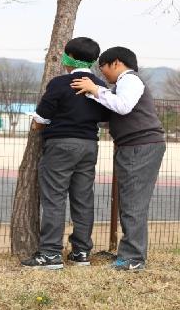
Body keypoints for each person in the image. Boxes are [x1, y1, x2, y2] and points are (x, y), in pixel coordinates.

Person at [71, 46, 165, 271]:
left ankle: (132, 258)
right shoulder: (121, 84)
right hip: (133, 146)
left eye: (103, 68)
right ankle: (130, 254)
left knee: (133, 203)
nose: (102, 74)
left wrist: (95, 90)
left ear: (116, 63)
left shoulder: (130, 81)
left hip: (140, 145)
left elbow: (123, 107)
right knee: (130, 202)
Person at [20, 37, 110, 270]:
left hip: (61, 145)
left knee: (54, 198)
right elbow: (105, 116)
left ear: (68, 56)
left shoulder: (60, 83)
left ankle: (50, 253)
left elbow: (41, 118)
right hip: (89, 145)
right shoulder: (99, 85)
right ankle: (81, 252)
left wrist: (37, 126)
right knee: (83, 198)